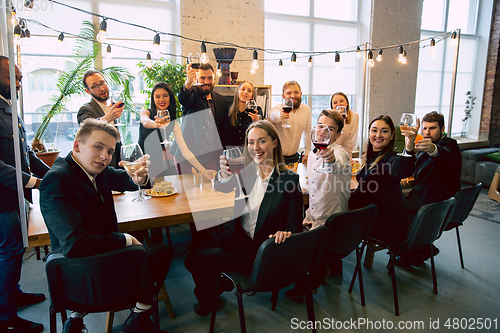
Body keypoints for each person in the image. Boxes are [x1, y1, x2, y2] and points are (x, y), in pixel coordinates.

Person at [39, 119, 173, 333]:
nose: (105, 156)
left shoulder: (93, 169)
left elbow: (126, 179)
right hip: (84, 277)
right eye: (98, 147)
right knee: (162, 251)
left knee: (145, 244)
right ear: (77, 145)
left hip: (85, 274)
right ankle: (139, 314)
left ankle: (76, 317)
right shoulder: (57, 180)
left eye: (110, 151)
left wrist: (141, 176)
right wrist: (125, 239)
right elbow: (76, 245)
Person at [184, 120, 303, 316]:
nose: (255, 148)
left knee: (195, 260)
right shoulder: (247, 172)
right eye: (250, 142)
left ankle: (208, 298)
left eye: (262, 141)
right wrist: (223, 173)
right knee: (195, 251)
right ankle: (216, 284)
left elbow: (294, 227)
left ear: (274, 142)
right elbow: (221, 186)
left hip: (260, 250)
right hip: (238, 236)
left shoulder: (289, 180)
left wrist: (285, 232)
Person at [0, 56, 48, 333]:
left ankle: (13, 294)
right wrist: (34, 182)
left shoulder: (10, 109)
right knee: (9, 252)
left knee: (14, 252)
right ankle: (5, 318)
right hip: (3, 200)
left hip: (17, 198)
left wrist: (53, 173)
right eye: (13, 78)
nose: (19, 83)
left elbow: (25, 154)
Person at [286, 110, 352, 300]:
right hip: (313, 214)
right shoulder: (313, 153)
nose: (323, 132)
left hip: (331, 222)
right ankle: (315, 270)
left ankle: (314, 276)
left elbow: (335, 164)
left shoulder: (339, 154)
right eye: (321, 126)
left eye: (330, 129)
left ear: (338, 135)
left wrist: (330, 159)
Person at [399, 111, 462, 265]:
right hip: (428, 200)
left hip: (433, 206)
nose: (427, 132)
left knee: (391, 208)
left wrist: (433, 149)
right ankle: (422, 247)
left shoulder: (449, 145)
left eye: (432, 128)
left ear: (442, 129)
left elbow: (442, 155)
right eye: (425, 128)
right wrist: (409, 144)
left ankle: (412, 248)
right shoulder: (423, 145)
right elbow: (412, 165)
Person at [349, 115, 416, 243]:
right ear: (369, 133)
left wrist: (409, 146)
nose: (378, 135)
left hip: (387, 224)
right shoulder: (371, 157)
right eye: (374, 130)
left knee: (334, 219)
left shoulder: (390, 159)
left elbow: (402, 168)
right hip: (377, 215)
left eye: (384, 131)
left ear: (392, 135)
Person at [139, 82, 216, 180]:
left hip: (157, 165)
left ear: (170, 97)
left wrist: (203, 171)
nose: (161, 99)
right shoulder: (146, 112)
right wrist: (158, 124)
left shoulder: (173, 123)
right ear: (153, 99)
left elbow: (186, 152)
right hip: (141, 161)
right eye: (157, 96)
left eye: (165, 96)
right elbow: (145, 122)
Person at [172, 62, 230, 173]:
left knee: (211, 188)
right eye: (202, 78)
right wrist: (188, 82)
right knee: (186, 188)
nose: (207, 82)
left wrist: (227, 154)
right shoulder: (192, 93)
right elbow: (184, 98)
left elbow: (224, 131)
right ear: (196, 78)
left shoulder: (221, 100)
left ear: (214, 79)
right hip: (186, 156)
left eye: (210, 78)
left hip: (210, 157)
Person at [77, 69, 124, 168]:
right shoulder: (85, 109)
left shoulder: (112, 106)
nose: (102, 88)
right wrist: (107, 118)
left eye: (102, 83)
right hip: (101, 164)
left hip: (117, 163)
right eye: (95, 86)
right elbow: (87, 129)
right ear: (88, 91)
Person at [269, 81, 312, 165]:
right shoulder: (278, 107)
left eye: (296, 92)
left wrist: (307, 153)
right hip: (276, 158)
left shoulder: (306, 110)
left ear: (300, 94)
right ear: (283, 96)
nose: (293, 96)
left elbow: (307, 132)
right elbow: (272, 117)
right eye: (289, 93)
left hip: (295, 158)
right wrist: (280, 115)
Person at [227, 81, 263, 147]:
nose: (245, 92)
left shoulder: (257, 110)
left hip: (251, 151)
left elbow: (262, 128)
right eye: (243, 89)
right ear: (238, 92)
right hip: (233, 151)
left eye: (249, 91)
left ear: (252, 96)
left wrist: (257, 120)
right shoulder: (228, 111)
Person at [330, 92, 359, 158]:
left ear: (347, 103)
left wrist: (347, 157)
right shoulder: (329, 118)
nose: (339, 104)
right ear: (332, 106)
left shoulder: (354, 116)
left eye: (341, 101)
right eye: (335, 103)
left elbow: (351, 140)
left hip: (346, 153)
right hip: (330, 152)